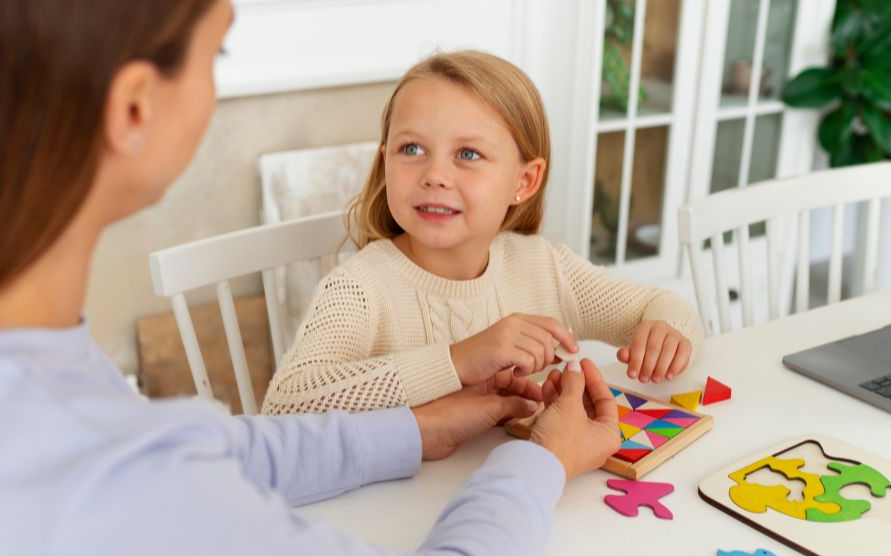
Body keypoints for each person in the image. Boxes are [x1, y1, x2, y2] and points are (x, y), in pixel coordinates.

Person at [0, 2, 621, 556]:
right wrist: (540, 459)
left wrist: (416, 427)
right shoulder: (104, 476)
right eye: (219, 51)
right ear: (136, 106)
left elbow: (220, 449)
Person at [260, 50, 704, 416]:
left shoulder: (543, 266)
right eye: (411, 149)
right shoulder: (359, 287)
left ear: (524, 182)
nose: (434, 175)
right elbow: (284, 404)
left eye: (468, 153)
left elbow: (659, 305)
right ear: (385, 161)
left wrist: (666, 330)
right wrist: (459, 359)